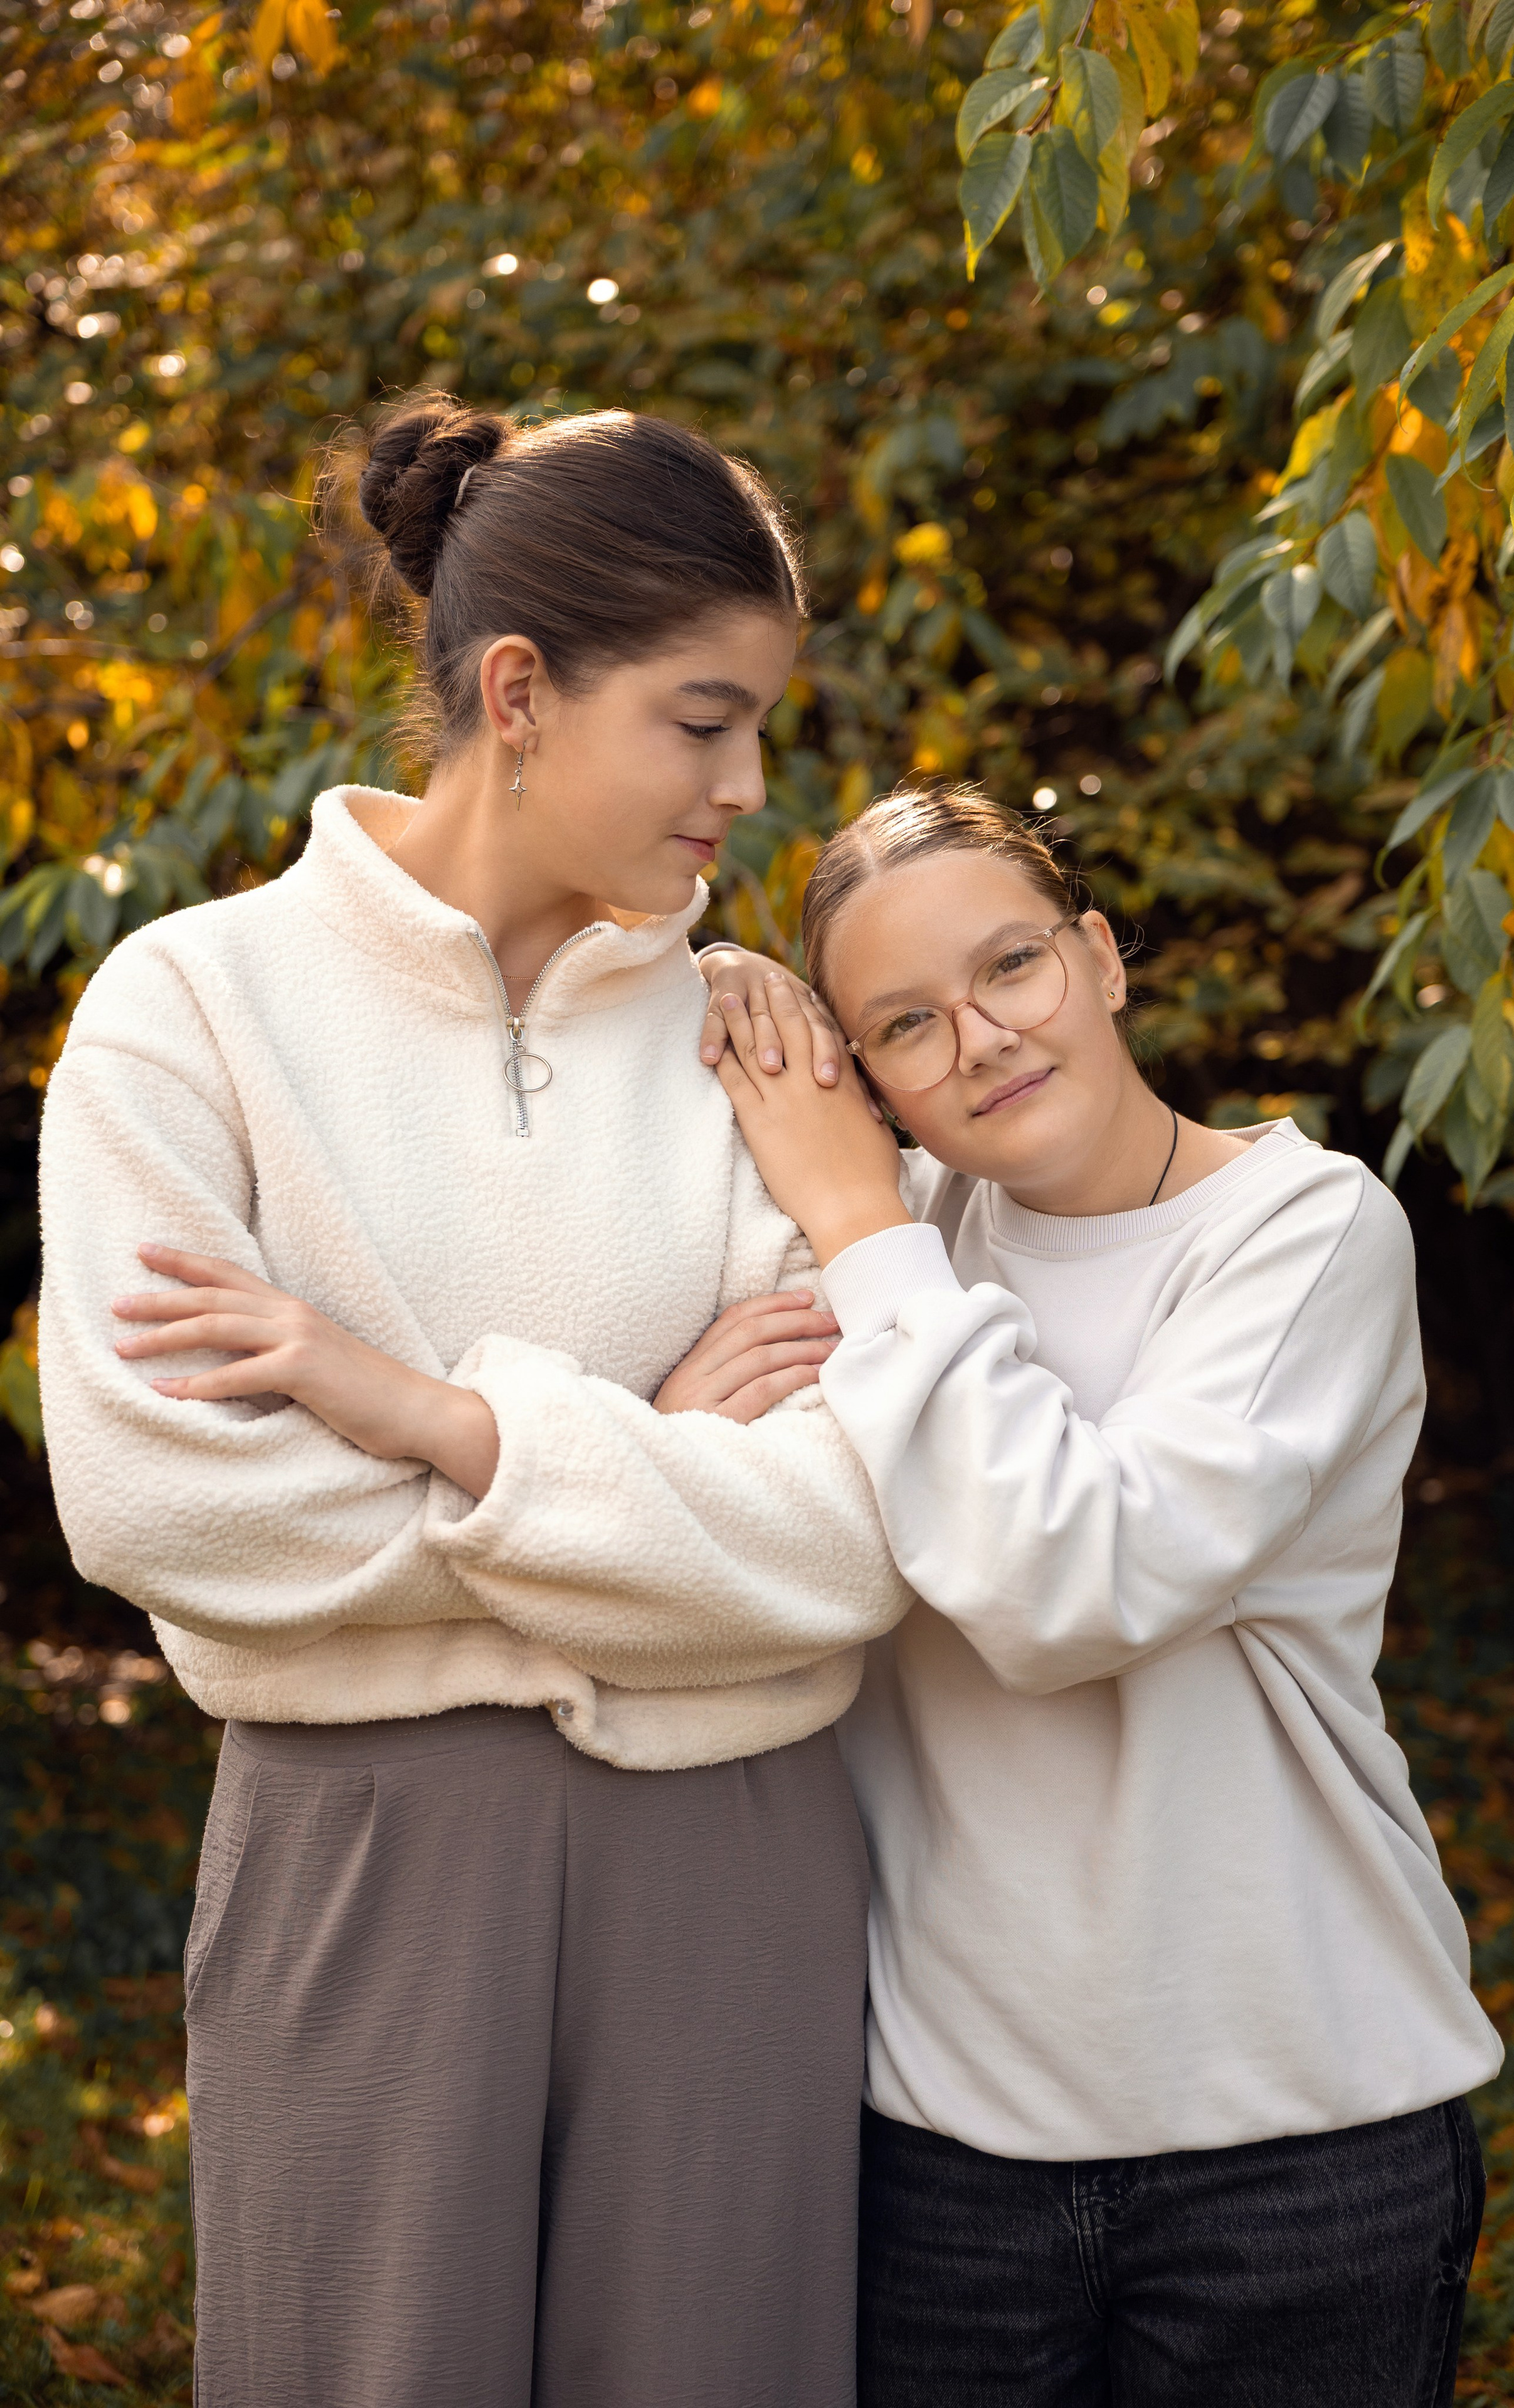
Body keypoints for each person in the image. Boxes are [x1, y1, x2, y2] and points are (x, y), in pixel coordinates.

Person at [35, 397, 913, 2408]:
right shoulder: (193, 1011)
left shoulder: (754, 1044)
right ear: (519, 690)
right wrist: (651, 1460)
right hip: (366, 1854)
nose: (748, 786)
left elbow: (853, 1534)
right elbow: (164, 1504)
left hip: (735, 1846)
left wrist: (441, 1424)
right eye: (704, 724)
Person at [699, 783, 1504, 2408]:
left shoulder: (1304, 1232)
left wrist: (860, 1217)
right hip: (944, 2148)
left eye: (1014, 968)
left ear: (1105, 956)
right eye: (906, 1025)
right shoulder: (889, 1251)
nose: (983, 1038)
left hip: (1303, 2136)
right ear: (865, 1080)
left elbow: (1075, 1581)